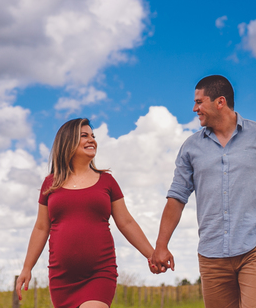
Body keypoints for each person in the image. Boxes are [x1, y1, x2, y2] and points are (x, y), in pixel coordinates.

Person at [150, 75, 256, 308]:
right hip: (211, 255)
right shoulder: (191, 147)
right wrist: (161, 245)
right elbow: (177, 198)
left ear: (220, 102)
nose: (194, 108)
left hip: (255, 248)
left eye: (199, 102)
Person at [18, 117, 158, 308]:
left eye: (93, 136)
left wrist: (152, 254)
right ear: (67, 142)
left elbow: (126, 222)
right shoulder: (50, 184)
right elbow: (41, 228)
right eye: (84, 136)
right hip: (62, 278)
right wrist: (27, 267)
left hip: (99, 273)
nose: (91, 140)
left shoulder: (107, 181)